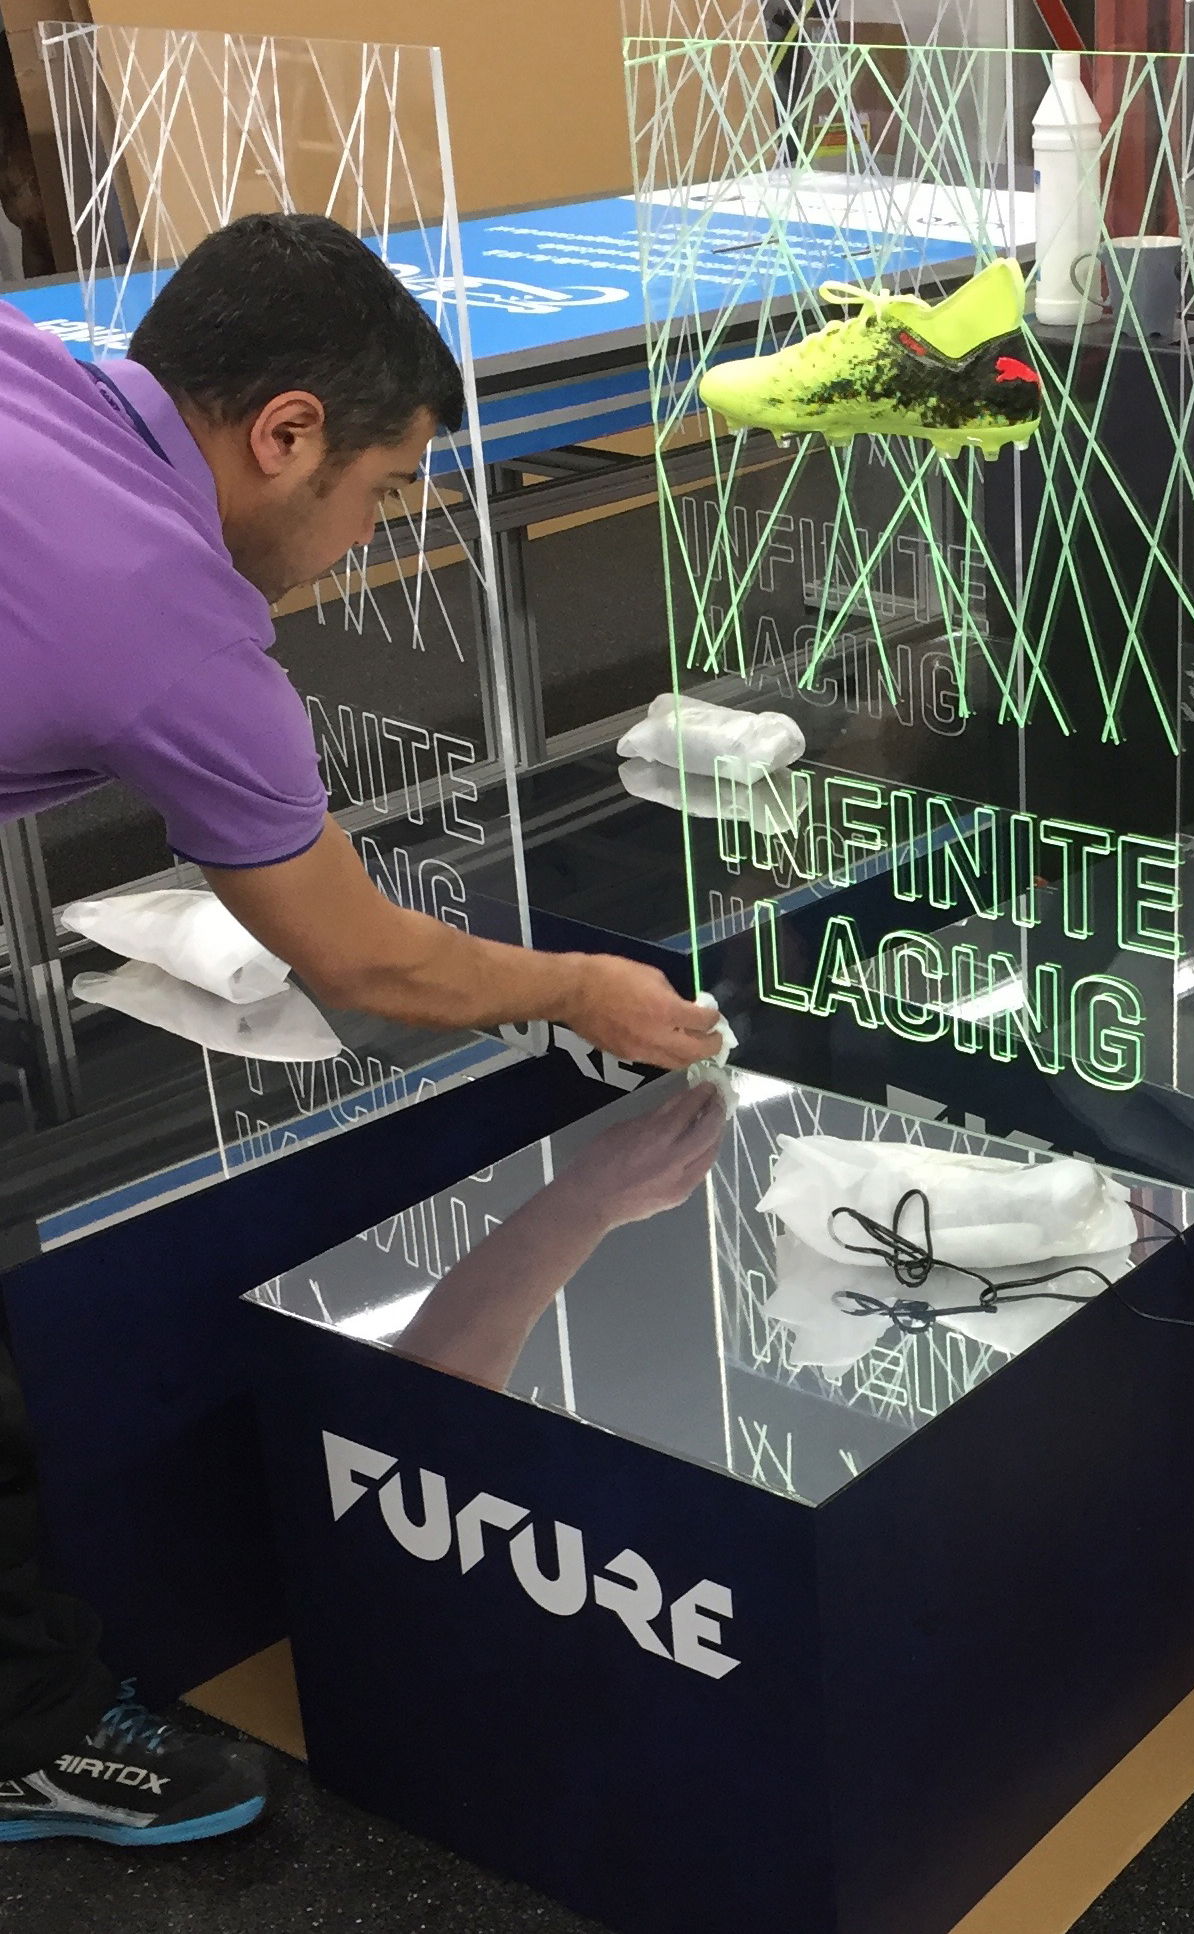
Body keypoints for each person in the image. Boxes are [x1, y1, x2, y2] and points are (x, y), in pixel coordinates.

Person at [0, 211, 721, 1849]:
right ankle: (25, 1734)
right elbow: (365, 961)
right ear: (285, 432)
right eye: (384, 492)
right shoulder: (169, 619)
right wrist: (578, 989)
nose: (368, 535)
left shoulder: (33, 370)